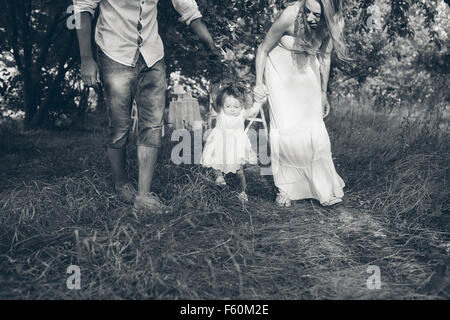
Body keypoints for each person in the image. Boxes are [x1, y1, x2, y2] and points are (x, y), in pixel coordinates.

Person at [73, 0, 220, 213]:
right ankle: (121, 183)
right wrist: (86, 58)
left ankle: (143, 194)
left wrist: (210, 45)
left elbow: (187, 8)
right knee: (119, 125)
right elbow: (83, 8)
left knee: (152, 124)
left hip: (152, 55)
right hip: (114, 51)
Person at [254, 0, 348, 207]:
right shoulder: (290, 15)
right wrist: (258, 83)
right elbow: (263, 48)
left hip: (307, 71)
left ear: (328, 15)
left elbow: (324, 56)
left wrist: (324, 92)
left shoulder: (334, 23)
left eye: (317, 15)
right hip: (279, 73)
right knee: (286, 129)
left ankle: (323, 186)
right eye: (308, 12)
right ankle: (286, 188)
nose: (310, 18)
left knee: (314, 126)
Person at [201, 85, 260, 202]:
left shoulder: (242, 113)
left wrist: (259, 100)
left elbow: (254, 110)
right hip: (220, 144)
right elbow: (215, 96)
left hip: (236, 146)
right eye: (228, 106)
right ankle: (219, 177)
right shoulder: (220, 112)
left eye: (236, 106)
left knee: (239, 172)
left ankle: (242, 192)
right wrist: (215, 83)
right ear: (222, 105)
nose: (232, 109)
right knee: (216, 161)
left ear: (242, 106)